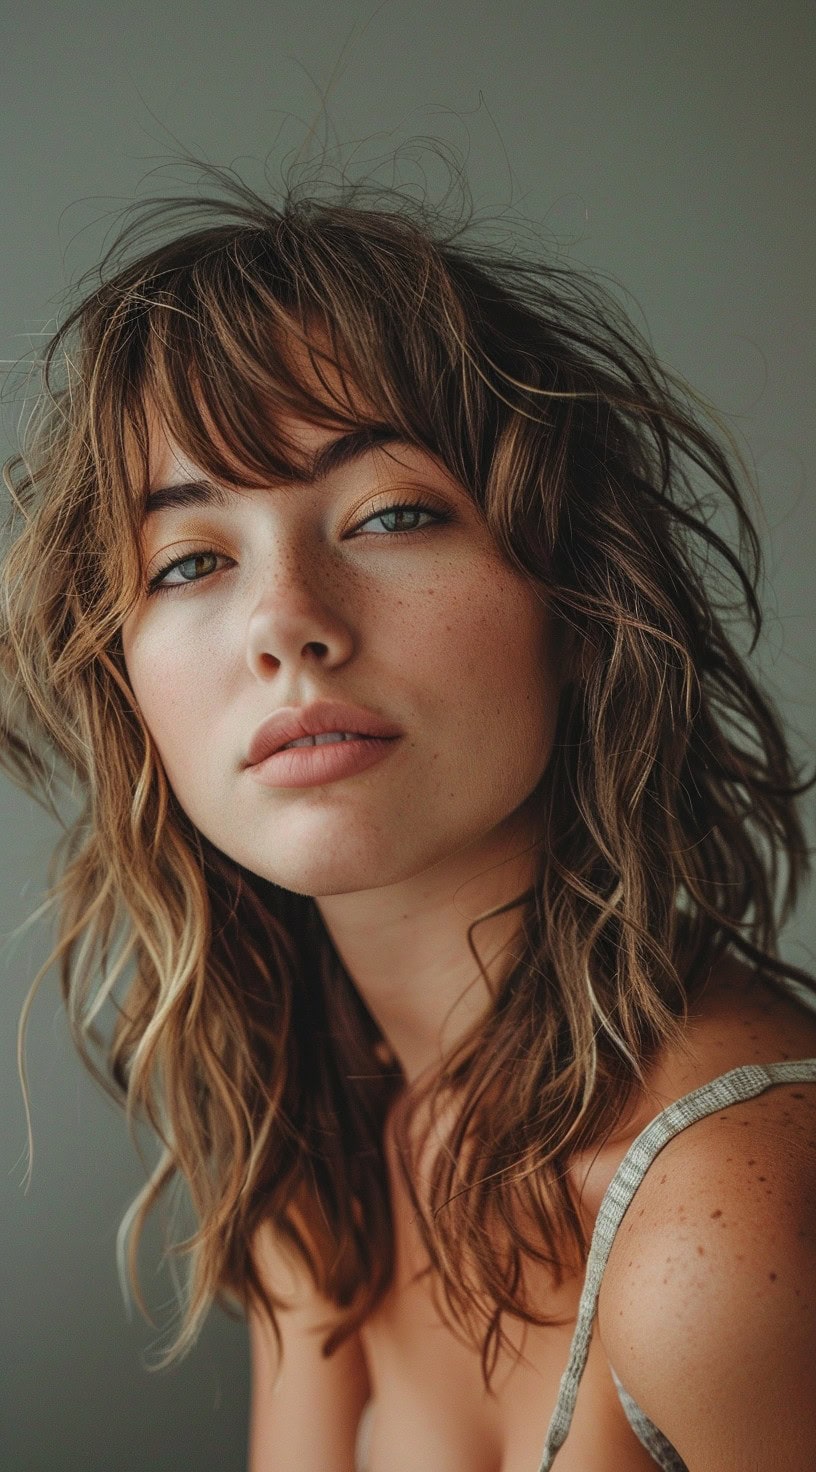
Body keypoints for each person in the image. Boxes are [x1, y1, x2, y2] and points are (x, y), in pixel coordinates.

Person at [2, 158, 815, 1472]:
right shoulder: (320, 1146)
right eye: (193, 559)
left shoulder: (728, 1221)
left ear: (578, 601)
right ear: (127, 683)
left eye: (389, 514)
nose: (288, 626)